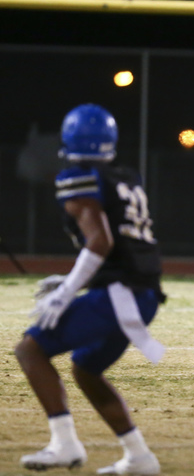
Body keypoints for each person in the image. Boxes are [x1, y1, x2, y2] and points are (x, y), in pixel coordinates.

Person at [15, 104, 165, 474]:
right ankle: (139, 457)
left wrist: (67, 290)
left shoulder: (77, 177)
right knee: (85, 369)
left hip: (120, 294)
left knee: (30, 351)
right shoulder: (125, 176)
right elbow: (119, 245)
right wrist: (76, 280)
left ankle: (64, 445)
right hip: (142, 294)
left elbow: (100, 243)